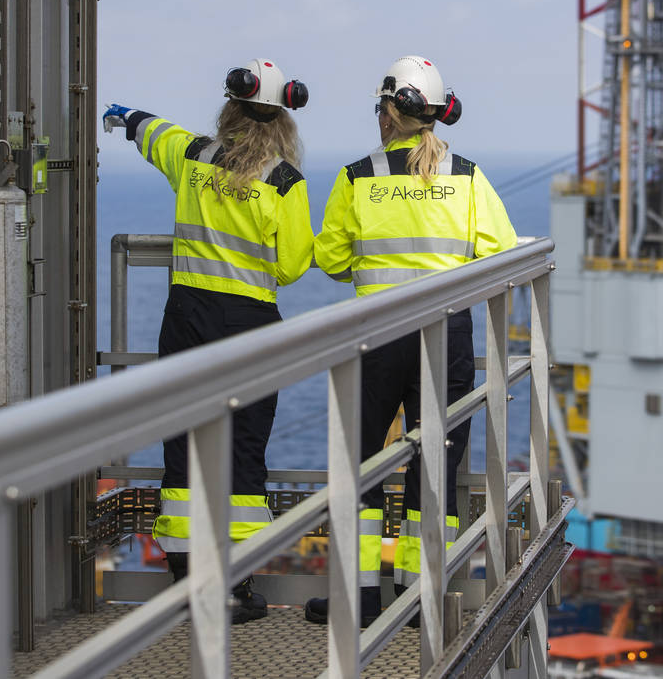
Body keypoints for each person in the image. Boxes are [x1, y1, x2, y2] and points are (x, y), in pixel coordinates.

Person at [305, 55, 517, 626]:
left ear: (391, 111)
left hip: (375, 339)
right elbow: (502, 252)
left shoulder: (357, 177)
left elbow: (328, 258)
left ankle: (362, 598)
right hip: (445, 337)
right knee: (436, 470)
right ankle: (424, 596)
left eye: (380, 106)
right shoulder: (467, 176)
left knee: (364, 467)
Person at [103, 58, 313, 624]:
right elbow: (293, 267)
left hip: (187, 318)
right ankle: (235, 585)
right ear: (283, 124)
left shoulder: (193, 157)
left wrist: (125, 117)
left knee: (183, 440)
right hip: (249, 325)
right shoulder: (285, 183)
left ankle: (183, 577)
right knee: (244, 448)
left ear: (229, 110)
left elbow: (154, 131)